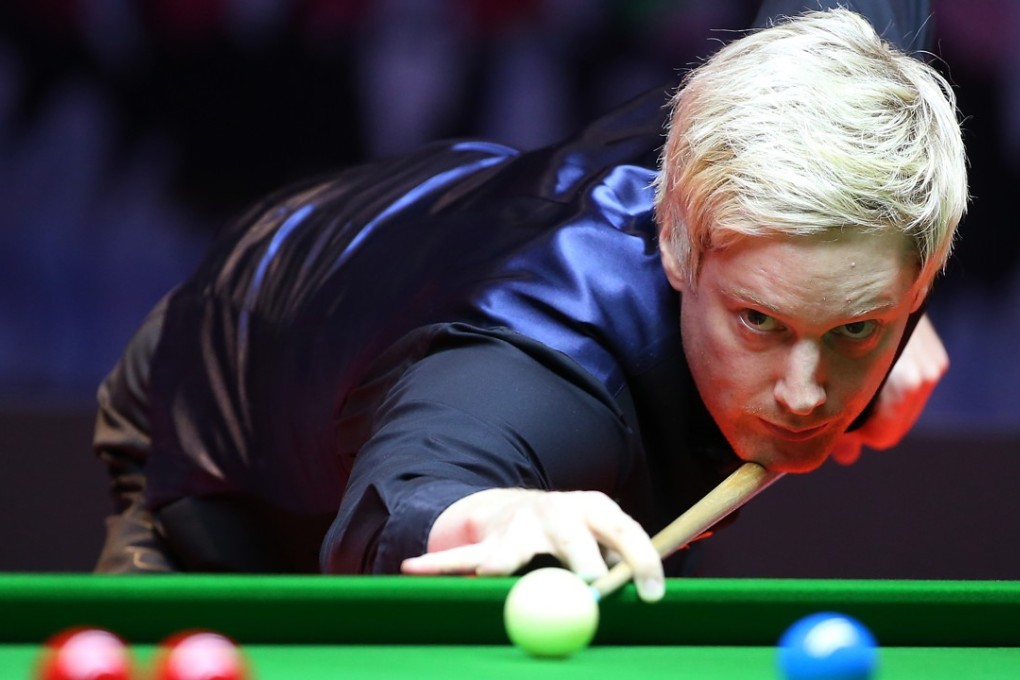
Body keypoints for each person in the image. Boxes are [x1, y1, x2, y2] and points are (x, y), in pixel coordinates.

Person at [92, 2, 967, 603]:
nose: (807, 395)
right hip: (230, 383)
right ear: (675, 238)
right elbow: (401, 504)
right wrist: (495, 508)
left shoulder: (848, 88)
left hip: (434, 231)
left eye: (854, 327)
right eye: (759, 322)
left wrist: (877, 318)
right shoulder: (536, 369)